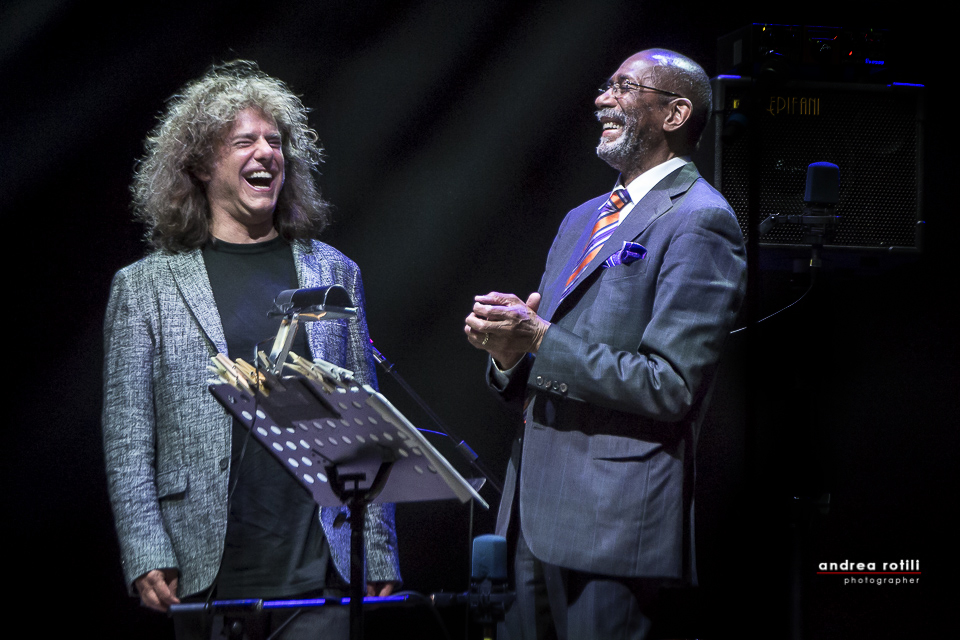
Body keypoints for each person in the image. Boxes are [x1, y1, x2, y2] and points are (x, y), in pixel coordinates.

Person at [102, 60, 400, 639]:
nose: (266, 152)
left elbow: (368, 423)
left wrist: (378, 551)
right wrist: (144, 547)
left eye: (275, 140)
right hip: (205, 572)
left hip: (324, 572)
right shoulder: (145, 287)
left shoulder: (333, 270)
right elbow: (128, 438)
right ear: (201, 165)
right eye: (245, 141)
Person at [464, 48, 746, 638]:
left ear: (675, 114)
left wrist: (539, 336)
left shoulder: (701, 220)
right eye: (606, 86)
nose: (602, 100)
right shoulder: (581, 218)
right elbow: (547, 361)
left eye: (624, 88)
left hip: (614, 527)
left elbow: (670, 386)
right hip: (530, 521)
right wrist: (509, 355)